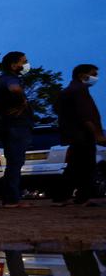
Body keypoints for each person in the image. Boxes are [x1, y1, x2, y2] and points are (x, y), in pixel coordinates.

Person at [55, 64, 105, 205]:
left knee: (75, 166)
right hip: (83, 135)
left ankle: (63, 197)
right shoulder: (79, 91)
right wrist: (97, 134)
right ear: (82, 75)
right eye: (93, 74)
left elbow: (57, 109)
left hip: (73, 134)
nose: (95, 77)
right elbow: (85, 116)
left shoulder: (67, 91)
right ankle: (80, 197)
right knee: (86, 166)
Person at [0, 51, 34, 208]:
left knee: (14, 162)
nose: (26, 64)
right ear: (13, 65)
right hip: (15, 126)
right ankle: (11, 199)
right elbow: (15, 89)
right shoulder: (10, 79)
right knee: (15, 162)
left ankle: (10, 197)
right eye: (23, 62)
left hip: (12, 125)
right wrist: (23, 102)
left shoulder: (4, 79)